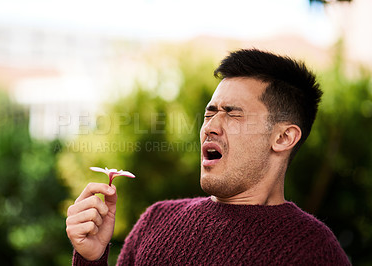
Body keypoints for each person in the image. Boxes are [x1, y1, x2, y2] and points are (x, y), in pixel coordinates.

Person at [66, 49, 350, 265]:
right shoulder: (156, 221)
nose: (210, 127)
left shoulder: (313, 250)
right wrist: (91, 258)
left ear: (283, 138)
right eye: (210, 113)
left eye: (233, 113)